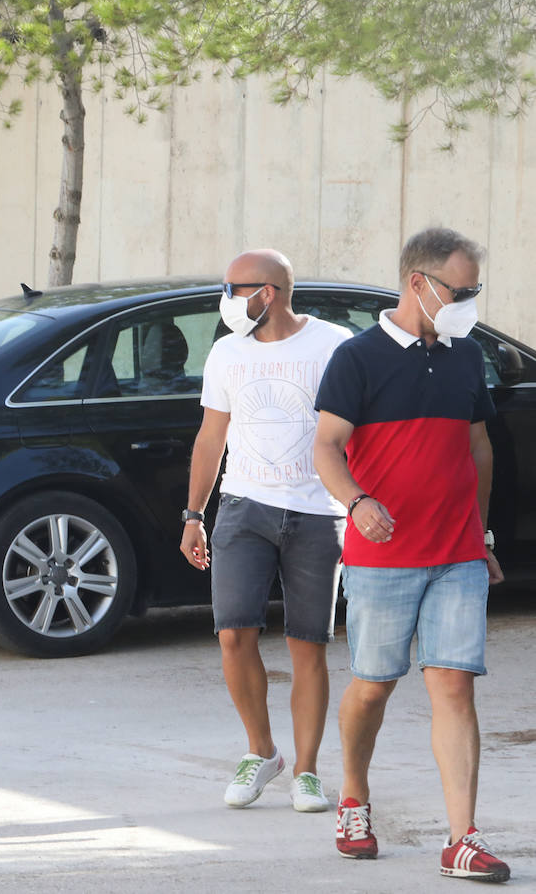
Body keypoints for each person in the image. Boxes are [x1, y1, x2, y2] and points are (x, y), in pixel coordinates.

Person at [314, 227, 510, 882]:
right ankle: (353, 796)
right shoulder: (357, 359)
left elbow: (478, 448)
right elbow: (325, 447)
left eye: (476, 289)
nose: (471, 301)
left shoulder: (464, 355)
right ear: (419, 284)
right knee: (373, 687)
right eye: (462, 289)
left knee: (454, 686)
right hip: (384, 555)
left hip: (456, 551)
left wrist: (480, 536)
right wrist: (357, 501)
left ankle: (462, 838)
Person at [181, 249, 351, 813]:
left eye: (234, 288)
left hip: (317, 513)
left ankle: (307, 770)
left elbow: (359, 430)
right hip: (242, 508)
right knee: (233, 634)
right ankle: (262, 752)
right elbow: (211, 436)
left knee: (309, 645)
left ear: (269, 293)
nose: (225, 299)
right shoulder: (226, 353)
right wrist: (193, 514)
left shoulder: (331, 345)